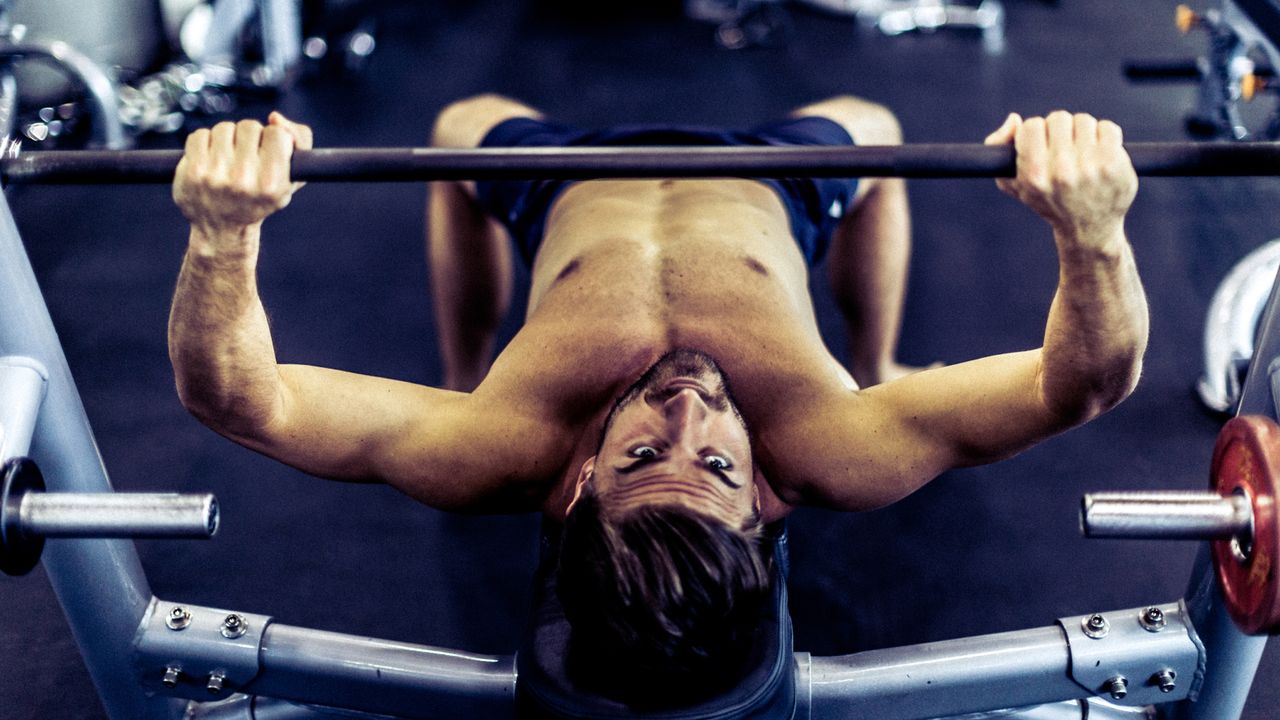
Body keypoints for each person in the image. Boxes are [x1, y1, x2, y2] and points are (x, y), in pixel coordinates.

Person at [167, 95, 1148, 706]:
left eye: (640, 456)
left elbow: (242, 401)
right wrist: (1092, 231)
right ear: (765, 500)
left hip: (557, 182)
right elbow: (1080, 383)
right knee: (878, 134)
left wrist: (223, 232)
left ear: (575, 484)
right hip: (778, 183)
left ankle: (460, 367)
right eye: (718, 462)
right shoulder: (831, 450)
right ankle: (878, 355)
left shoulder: (501, 448)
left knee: (458, 127)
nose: (685, 407)